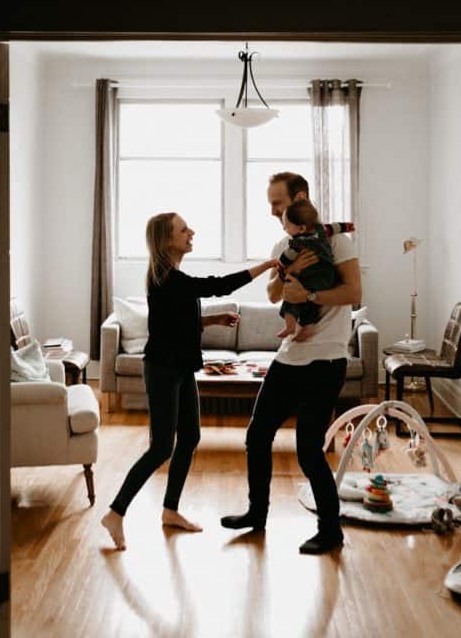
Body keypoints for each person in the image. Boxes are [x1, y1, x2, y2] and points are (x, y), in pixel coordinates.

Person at [101, 212, 278, 550]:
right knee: (161, 447)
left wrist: (210, 319)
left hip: (179, 368)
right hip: (163, 370)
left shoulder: (171, 278)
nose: (191, 232)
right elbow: (217, 286)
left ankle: (170, 510)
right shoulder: (166, 278)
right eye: (183, 230)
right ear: (167, 240)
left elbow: (176, 323)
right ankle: (116, 512)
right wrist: (266, 265)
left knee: (191, 436)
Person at [221, 172, 362, 555]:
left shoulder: (337, 241)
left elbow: (354, 291)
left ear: (299, 197)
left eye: (278, 203)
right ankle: (256, 513)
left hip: (326, 359)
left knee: (308, 450)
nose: (272, 211)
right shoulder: (284, 241)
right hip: (289, 358)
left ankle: (330, 531)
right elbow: (270, 293)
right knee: (257, 435)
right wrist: (289, 272)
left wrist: (311, 292)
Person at [275, 198, 355, 342]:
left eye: (286, 226)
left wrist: (281, 267)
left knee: (291, 299)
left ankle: (290, 325)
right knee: (311, 305)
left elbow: (285, 259)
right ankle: (309, 327)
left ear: (301, 229)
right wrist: (348, 226)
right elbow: (335, 227)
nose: (284, 229)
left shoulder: (297, 243)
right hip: (328, 278)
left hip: (310, 278)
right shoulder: (323, 231)